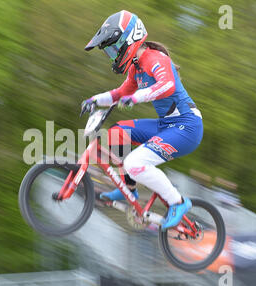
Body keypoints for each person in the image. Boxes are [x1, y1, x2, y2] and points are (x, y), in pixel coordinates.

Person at [81, 10, 203, 230]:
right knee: (117, 132)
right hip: (167, 124)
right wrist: (93, 100)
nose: (112, 55)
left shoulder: (155, 58)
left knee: (135, 162)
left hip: (187, 128)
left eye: (113, 49)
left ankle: (178, 202)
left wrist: (136, 98)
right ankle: (129, 187)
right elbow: (119, 93)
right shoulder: (136, 68)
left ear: (128, 41)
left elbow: (168, 86)